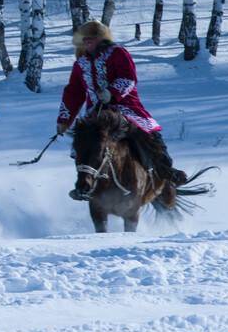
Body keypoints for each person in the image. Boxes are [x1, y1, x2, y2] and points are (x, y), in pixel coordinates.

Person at [57, 20, 188, 200]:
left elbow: (128, 78)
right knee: (84, 142)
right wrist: (64, 119)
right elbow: (73, 92)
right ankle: (85, 184)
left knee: (147, 135)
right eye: (85, 40)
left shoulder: (118, 53)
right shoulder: (80, 64)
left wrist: (111, 93)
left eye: (91, 39)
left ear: (101, 39)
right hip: (96, 113)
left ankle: (165, 171)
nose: (87, 43)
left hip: (124, 108)